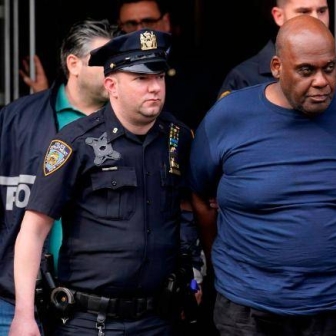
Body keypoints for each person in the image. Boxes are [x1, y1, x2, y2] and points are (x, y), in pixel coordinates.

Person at [189, 15, 336, 335]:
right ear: (276, 67)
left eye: (329, 68)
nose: (322, 81)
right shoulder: (229, 117)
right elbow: (200, 198)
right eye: (306, 70)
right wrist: (226, 265)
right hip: (250, 311)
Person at [9, 29, 194, 335]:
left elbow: (189, 209)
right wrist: (24, 315)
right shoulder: (76, 142)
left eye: (159, 77)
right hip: (90, 321)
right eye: (141, 78)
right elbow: (33, 230)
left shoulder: (178, 137)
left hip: (159, 318)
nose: (155, 88)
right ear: (111, 85)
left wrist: (192, 275)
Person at [0, 19, 115, 335]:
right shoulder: (15, 120)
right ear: (73, 64)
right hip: (13, 298)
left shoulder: (127, 122)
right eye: (104, 58)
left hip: (96, 303)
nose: (114, 68)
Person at [20, 0, 217, 130]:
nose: (140, 30)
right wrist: (44, 102)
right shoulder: (72, 133)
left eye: (148, 21)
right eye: (131, 24)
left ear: (166, 22)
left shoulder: (197, 75)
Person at [217, 0, 336, 99]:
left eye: (322, 10)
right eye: (304, 11)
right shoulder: (245, 78)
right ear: (279, 16)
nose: (316, 19)